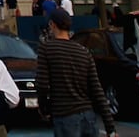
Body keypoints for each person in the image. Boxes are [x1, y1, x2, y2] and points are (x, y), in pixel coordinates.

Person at [36, 8, 116, 137]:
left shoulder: (47, 48)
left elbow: (42, 84)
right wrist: (110, 128)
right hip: (88, 114)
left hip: (65, 113)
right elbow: (97, 90)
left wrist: (44, 108)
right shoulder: (84, 52)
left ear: (52, 24)